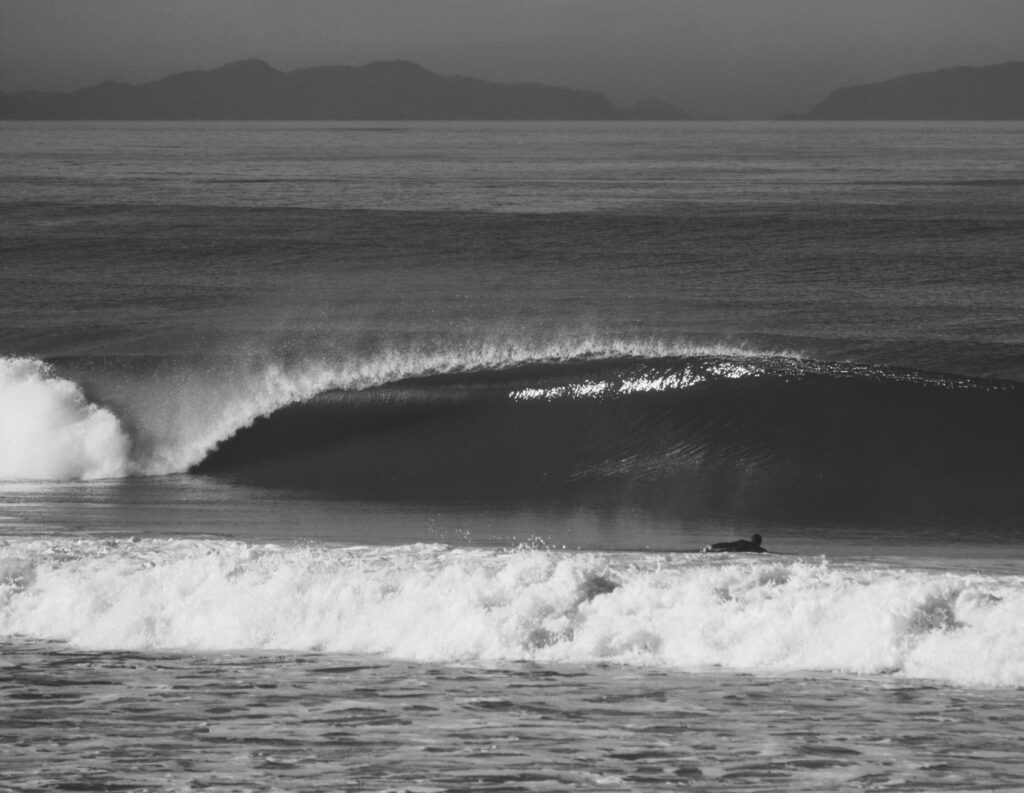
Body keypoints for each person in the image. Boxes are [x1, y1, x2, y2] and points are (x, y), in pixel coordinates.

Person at [701, 533, 767, 553]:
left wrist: (713, 546)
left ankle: (709, 550)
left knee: (723, 550)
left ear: (751, 540)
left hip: (732, 551)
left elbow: (726, 544)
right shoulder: (762, 550)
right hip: (744, 555)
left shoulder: (742, 542)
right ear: (760, 542)